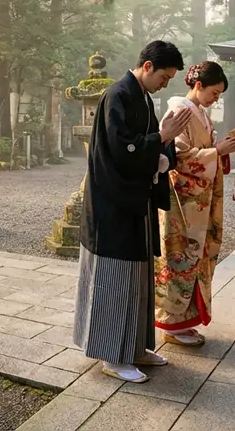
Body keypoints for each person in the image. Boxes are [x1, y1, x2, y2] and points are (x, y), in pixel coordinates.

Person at [73, 40, 192, 384]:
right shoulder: (117, 95)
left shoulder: (140, 97)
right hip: (114, 205)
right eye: (165, 77)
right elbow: (121, 152)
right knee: (115, 279)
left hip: (135, 201)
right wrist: (161, 139)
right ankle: (113, 355)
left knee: (138, 280)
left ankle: (135, 347)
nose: (165, 84)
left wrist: (164, 145)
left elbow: (149, 144)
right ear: (148, 66)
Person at [154, 61, 235, 346]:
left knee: (197, 256)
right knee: (180, 255)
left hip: (197, 202)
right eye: (214, 93)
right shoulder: (179, 111)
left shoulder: (200, 114)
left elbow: (201, 151)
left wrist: (221, 148)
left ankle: (186, 320)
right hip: (181, 201)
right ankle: (171, 323)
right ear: (198, 86)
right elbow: (178, 158)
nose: (215, 99)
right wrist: (216, 150)